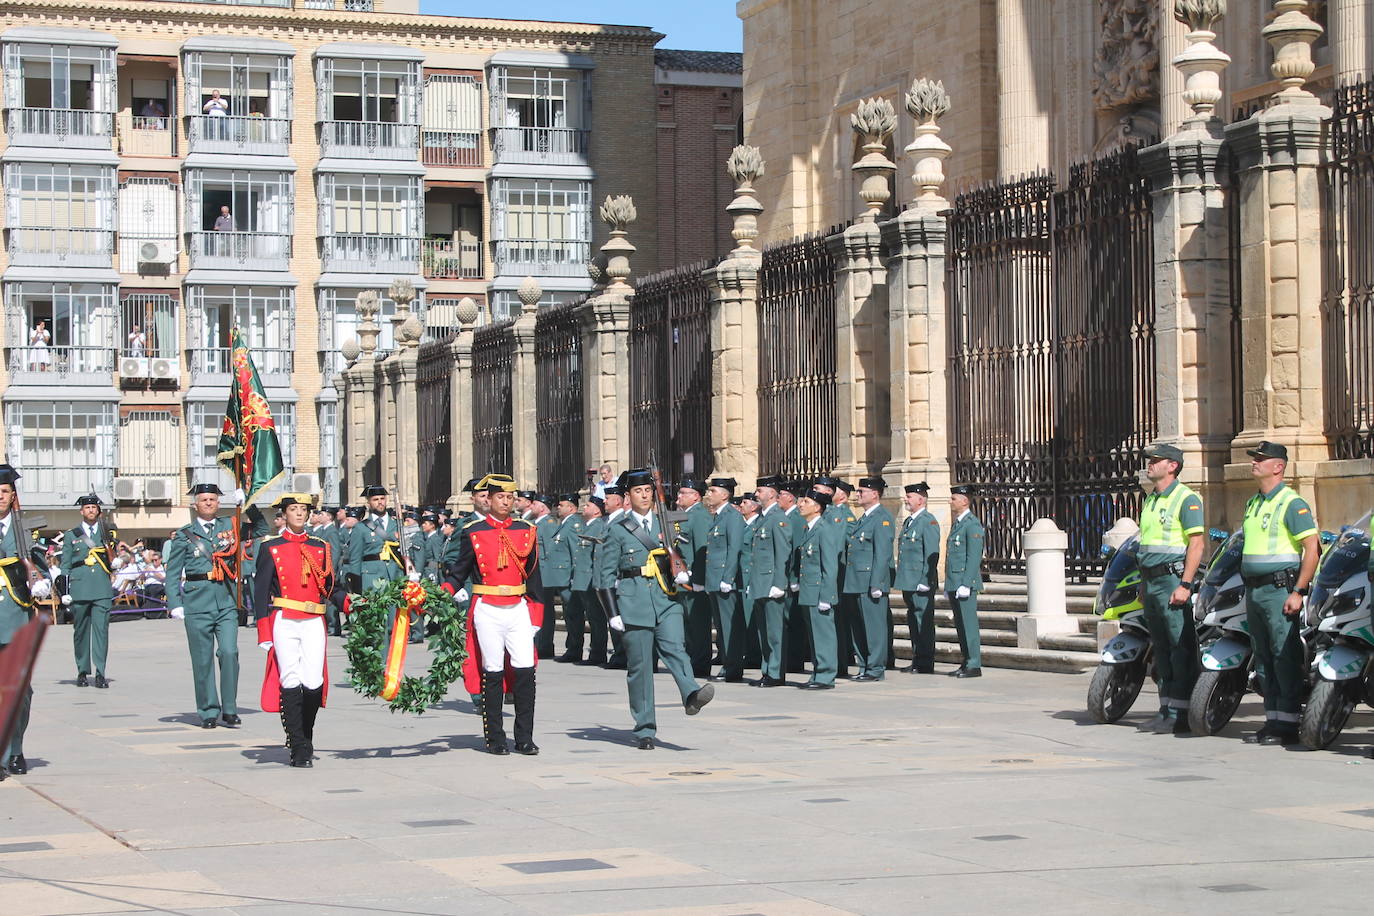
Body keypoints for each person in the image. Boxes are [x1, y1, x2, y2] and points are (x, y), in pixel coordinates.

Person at [595, 469, 714, 749]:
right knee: (640, 668)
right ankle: (645, 727)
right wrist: (612, 613)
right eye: (638, 491)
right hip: (633, 600)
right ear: (628, 496)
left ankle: (691, 693)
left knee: (675, 647)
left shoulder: (668, 522)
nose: (645, 496)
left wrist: (683, 570)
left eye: (648, 490)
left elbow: (679, 554)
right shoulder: (618, 528)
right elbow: (604, 576)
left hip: (665, 598)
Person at [442, 474, 545, 756]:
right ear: (489, 499)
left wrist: (536, 616)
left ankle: (524, 737)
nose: (506, 501)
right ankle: (495, 737)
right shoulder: (474, 531)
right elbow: (459, 570)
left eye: (510, 497)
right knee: (493, 671)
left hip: (518, 607)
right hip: (487, 606)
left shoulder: (526, 529)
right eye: (500, 497)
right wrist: (440, 593)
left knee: (525, 670)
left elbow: (534, 576)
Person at [165, 483, 268, 728]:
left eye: (213, 499)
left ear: (219, 503)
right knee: (202, 659)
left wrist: (248, 504)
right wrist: (174, 602)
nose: (209, 503)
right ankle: (209, 710)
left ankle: (230, 708)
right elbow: (172, 572)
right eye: (204, 500)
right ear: (195, 505)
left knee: (230, 653)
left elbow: (262, 528)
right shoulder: (184, 535)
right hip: (197, 601)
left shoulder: (230, 526)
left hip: (226, 600)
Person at [1239, 441, 1320, 747]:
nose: (1254, 463)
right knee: (1262, 657)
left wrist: (1299, 590)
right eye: (1254, 459)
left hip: (1278, 589)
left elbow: (1312, 549)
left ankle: (1287, 723)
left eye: (1260, 459)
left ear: (1278, 466)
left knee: (1282, 655)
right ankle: (1272, 719)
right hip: (1255, 590)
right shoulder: (1253, 503)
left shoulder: (1292, 503)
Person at [254, 493, 333, 768]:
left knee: (313, 682)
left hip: (313, 619)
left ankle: (305, 734)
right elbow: (260, 591)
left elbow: (330, 587)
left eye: (303, 510)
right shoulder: (270, 547)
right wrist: (263, 632)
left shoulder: (320, 546)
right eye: (294, 509)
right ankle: (298, 745)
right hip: (284, 619)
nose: (299, 514)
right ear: (284, 514)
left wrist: (352, 602)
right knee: (290, 679)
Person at [1134, 443, 1207, 735]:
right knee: (1161, 649)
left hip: (1172, 580)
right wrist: (1142, 582)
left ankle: (1181, 712)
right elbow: (1146, 544)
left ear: (1172, 465)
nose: (1149, 464)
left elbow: (1197, 543)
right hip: (1152, 581)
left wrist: (1186, 584)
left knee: (1180, 647)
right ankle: (1164, 708)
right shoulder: (1151, 500)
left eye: (1156, 460)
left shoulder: (1186, 499)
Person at [0, 464, 37, 778]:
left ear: (13, 496)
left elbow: (38, 561)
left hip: (17, 616)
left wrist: (40, 577)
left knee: (21, 691)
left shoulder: (24, 527)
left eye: (5, 491)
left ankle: (16, 747)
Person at [839, 477, 895, 681]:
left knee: (874, 628)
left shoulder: (882, 518)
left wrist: (877, 583)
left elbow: (882, 554)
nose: (858, 494)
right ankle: (864, 665)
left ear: (875, 494)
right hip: (855, 581)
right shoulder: (864, 518)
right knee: (859, 627)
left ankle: (875, 668)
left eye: (862, 491)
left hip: (870, 581)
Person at [59, 495, 116, 689]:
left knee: (101, 631)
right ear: (81, 511)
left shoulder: (106, 532)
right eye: (88, 507)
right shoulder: (71, 535)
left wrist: (117, 562)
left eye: (94, 507)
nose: (91, 510)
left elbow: (113, 558)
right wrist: (64, 590)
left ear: (98, 511)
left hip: (101, 587)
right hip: (80, 587)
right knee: (81, 632)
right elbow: (65, 565)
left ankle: (101, 672)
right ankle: (82, 671)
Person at [792, 487, 842, 689]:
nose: (800, 505)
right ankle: (818, 671)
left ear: (817, 507)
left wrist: (826, 596)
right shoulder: (809, 528)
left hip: (819, 591)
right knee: (814, 636)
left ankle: (826, 675)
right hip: (809, 591)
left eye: (805, 502)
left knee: (824, 635)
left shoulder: (825, 529)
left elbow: (830, 567)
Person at [748, 475, 793, 687]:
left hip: (771, 584)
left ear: (772, 494)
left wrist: (779, 583)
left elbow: (783, 553)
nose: (756, 494)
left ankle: (775, 673)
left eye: (760, 490)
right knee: (763, 632)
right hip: (759, 582)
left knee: (775, 632)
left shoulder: (778, 518)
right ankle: (767, 670)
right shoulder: (762, 518)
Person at [702, 478, 747, 682]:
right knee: (721, 626)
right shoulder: (718, 517)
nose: (708, 494)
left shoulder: (732, 517)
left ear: (725, 494)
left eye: (713, 490)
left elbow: (734, 548)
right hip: (714, 579)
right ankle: (727, 665)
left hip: (724, 580)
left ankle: (733, 667)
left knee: (730, 627)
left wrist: (728, 577)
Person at [894, 482, 940, 674]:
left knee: (924, 621)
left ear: (921, 500)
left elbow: (932, 553)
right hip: (908, 580)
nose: (906, 499)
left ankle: (925, 661)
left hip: (920, 582)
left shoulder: (928, 521)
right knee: (913, 619)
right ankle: (917, 657)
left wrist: (925, 580)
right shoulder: (909, 522)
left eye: (910, 496)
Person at [673, 479, 714, 676]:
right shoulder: (684, 515)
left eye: (683, 493)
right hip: (681, 578)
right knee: (687, 624)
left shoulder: (699, 516)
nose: (679, 496)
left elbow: (700, 549)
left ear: (696, 496)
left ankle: (700, 663)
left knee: (698, 625)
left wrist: (698, 578)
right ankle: (691, 659)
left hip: (693, 579)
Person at [945, 485, 986, 678]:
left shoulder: (972, 524)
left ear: (964, 501)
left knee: (969, 624)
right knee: (961, 625)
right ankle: (966, 661)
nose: (950, 501)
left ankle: (974, 663)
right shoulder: (958, 523)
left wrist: (966, 583)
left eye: (954, 498)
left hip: (965, 583)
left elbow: (973, 557)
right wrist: (949, 584)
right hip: (956, 582)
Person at [571, 496, 609, 665]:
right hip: (582, 578)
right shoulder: (588, 526)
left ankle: (598, 653)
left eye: (588, 505)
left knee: (596, 618)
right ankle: (595, 652)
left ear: (597, 510)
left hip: (590, 579)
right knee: (592, 618)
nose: (584, 508)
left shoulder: (598, 526)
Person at [346, 486, 405, 594]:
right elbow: (355, 560)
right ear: (368, 502)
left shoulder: (398, 525)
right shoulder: (360, 528)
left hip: (396, 577)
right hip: (371, 581)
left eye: (382, 498)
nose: (380, 502)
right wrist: (356, 589)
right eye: (375, 499)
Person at [546, 495, 583, 663]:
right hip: (562, 577)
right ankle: (572, 647)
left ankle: (575, 649)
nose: (558, 508)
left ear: (571, 507)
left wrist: (575, 576)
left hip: (568, 577)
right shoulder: (565, 524)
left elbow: (576, 552)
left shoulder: (573, 524)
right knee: (569, 614)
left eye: (561, 505)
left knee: (573, 614)